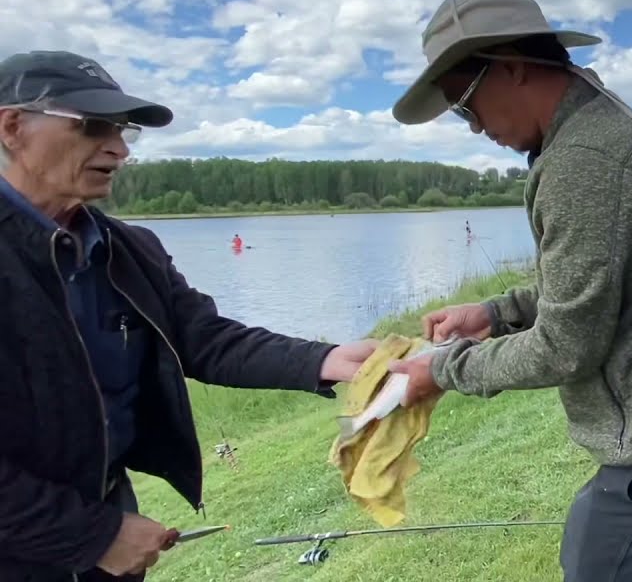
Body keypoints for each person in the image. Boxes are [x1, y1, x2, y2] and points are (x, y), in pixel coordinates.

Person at [385, 0, 632, 581]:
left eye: (465, 103)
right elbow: (604, 284)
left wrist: (443, 369)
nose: (474, 128)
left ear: (511, 68)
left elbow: (567, 345)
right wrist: (495, 313)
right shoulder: (593, 128)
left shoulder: (584, 160)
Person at [0, 51, 376, 582]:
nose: (119, 147)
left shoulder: (130, 250)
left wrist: (328, 359)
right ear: (13, 127)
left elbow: (204, 339)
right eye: (92, 126)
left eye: (123, 129)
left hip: (105, 519)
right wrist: (91, 535)